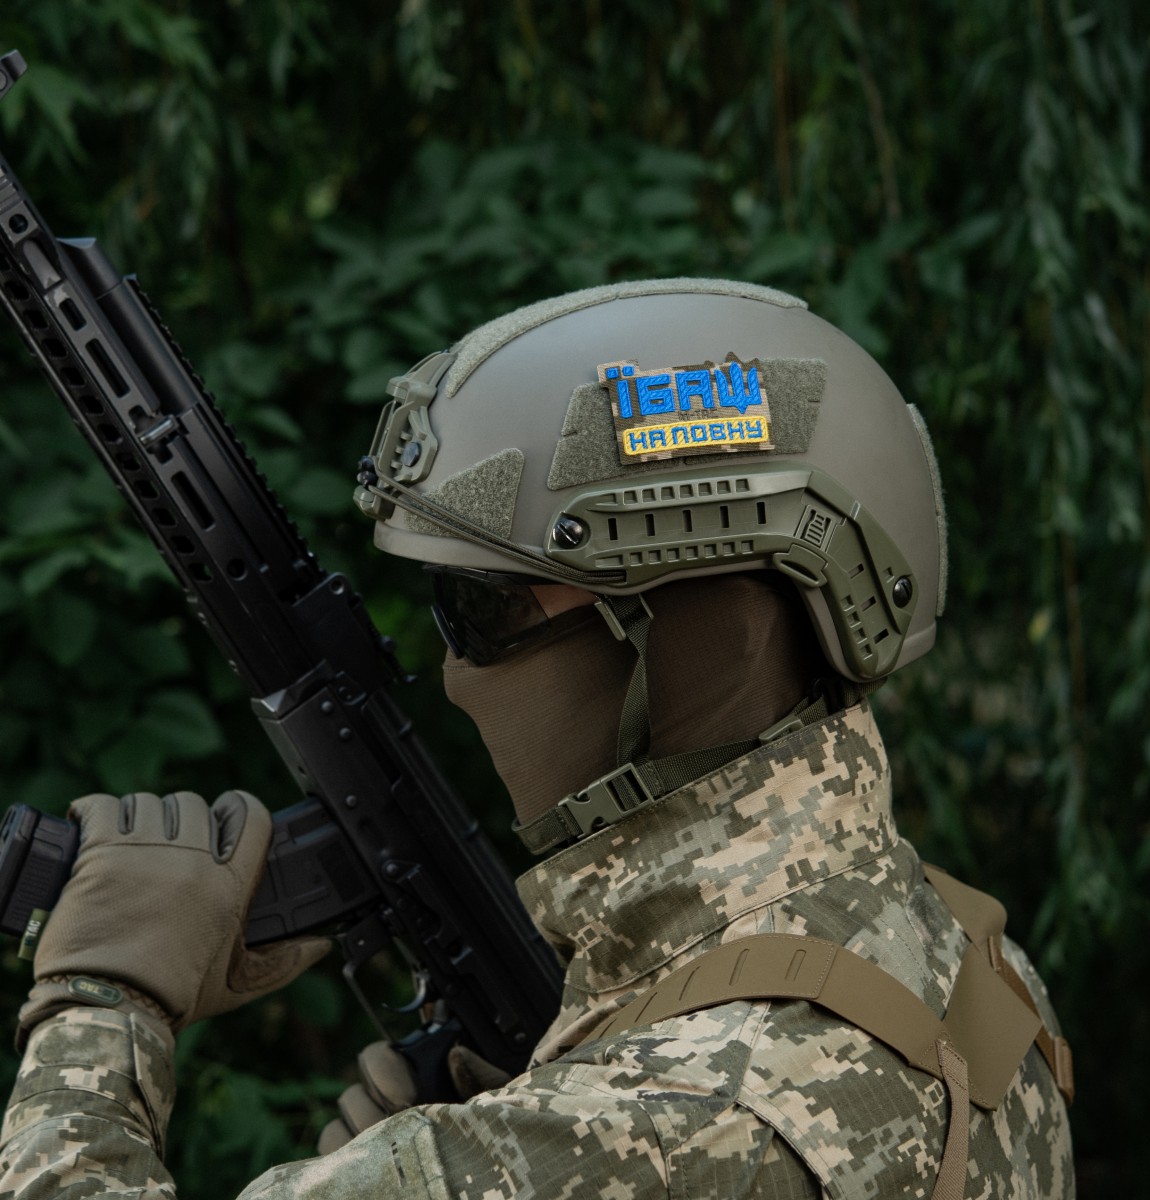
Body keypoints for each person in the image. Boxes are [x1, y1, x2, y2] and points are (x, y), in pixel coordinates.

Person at [0, 278, 1075, 1199]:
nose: (455, 670)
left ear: (700, 642)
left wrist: (103, 1000)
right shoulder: (964, 960)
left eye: (487, 611)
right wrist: (538, 1089)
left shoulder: (644, 1129)